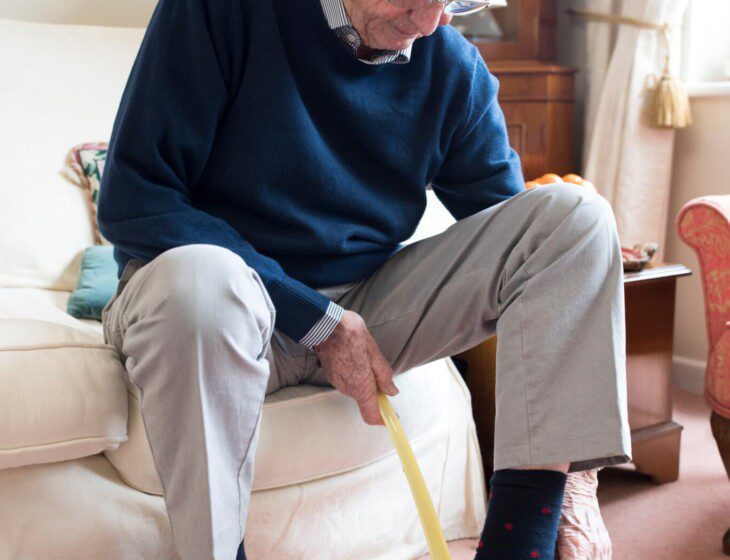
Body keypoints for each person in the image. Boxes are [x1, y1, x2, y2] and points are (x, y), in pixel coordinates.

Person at [97, 0, 632, 558]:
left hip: (366, 313)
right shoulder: (222, 11)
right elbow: (135, 199)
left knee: (576, 218)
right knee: (202, 281)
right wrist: (317, 321)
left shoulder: (450, 64)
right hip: (215, 308)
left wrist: (575, 475)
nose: (428, 24)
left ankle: (519, 547)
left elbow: (534, 252)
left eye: (451, 3)